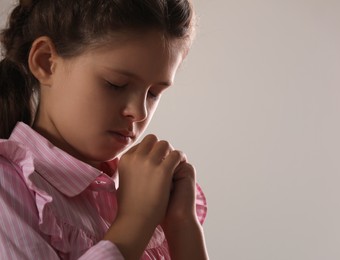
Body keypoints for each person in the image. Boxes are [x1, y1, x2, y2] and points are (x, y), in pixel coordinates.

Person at [0, 0, 208, 259]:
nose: (139, 112)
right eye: (116, 84)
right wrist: (136, 220)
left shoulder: (145, 193)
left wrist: (182, 225)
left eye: (154, 93)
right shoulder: (8, 186)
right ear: (46, 62)